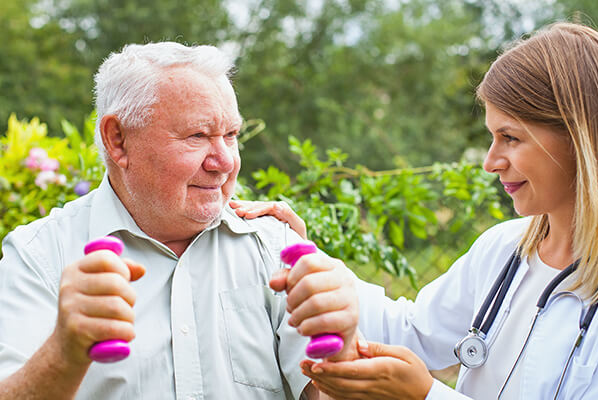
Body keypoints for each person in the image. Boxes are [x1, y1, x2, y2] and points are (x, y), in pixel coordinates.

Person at [231, 22, 598, 399]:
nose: (491, 161)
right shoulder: (504, 250)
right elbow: (412, 331)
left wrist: (425, 396)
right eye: (492, 137)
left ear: (580, 138)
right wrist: (309, 259)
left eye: (510, 138)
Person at [0, 42, 353, 399]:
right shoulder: (40, 257)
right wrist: (64, 352)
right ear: (118, 141)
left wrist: (342, 339)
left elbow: (331, 392)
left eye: (231, 135)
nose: (225, 161)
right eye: (197, 136)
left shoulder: (277, 246)